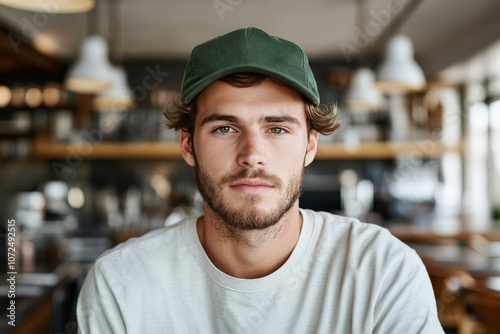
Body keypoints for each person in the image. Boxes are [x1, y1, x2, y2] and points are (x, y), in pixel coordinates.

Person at [77, 27, 444, 333]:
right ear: (188, 145)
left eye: (278, 128)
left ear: (310, 146)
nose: (252, 153)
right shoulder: (121, 284)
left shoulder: (382, 271)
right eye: (224, 127)